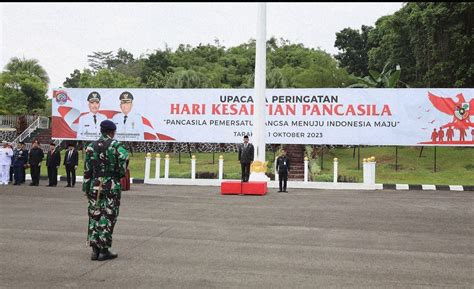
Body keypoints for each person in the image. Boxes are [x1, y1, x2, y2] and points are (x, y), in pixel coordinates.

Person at [83, 120, 128, 261]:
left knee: (94, 215)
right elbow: (123, 163)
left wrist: (86, 188)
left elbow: (87, 170)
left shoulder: (91, 147)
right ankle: (104, 250)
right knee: (108, 215)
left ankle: (94, 250)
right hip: (110, 185)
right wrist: (117, 174)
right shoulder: (116, 146)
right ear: (112, 131)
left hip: (94, 184)